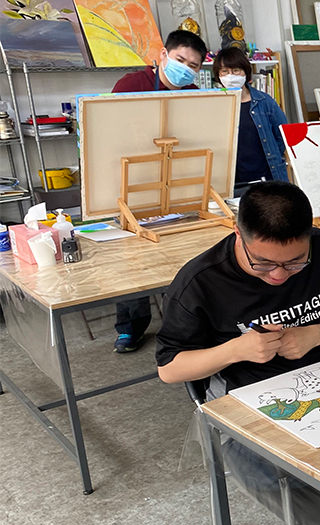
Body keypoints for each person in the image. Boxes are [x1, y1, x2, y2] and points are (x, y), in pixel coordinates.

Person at [155, 180, 320, 525]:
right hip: (245, 407)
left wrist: (316, 334)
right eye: (263, 263)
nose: (279, 275)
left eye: (295, 262)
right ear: (238, 233)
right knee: (275, 479)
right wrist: (235, 350)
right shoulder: (200, 282)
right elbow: (169, 369)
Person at [110, 30, 207, 353]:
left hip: (177, 182)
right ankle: (130, 328)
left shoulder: (194, 95)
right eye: (180, 60)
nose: (185, 69)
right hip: (133, 180)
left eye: (193, 66)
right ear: (163, 54)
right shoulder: (130, 85)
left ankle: (181, 324)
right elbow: (112, 133)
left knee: (178, 256)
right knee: (133, 260)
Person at [212, 46, 289, 192]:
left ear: (245, 72)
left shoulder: (264, 101)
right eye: (225, 71)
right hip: (233, 183)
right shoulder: (214, 105)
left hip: (268, 177)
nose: (230, 76)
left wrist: (274, 156)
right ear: (218, 74)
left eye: (236, 70)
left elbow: (283, 134)